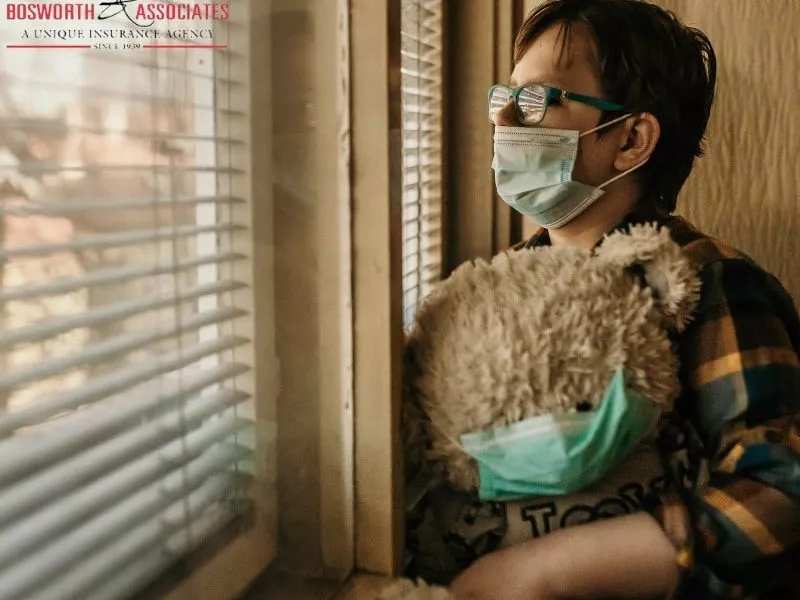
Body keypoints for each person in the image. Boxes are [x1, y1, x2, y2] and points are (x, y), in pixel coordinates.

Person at [446, 0, 800, 598]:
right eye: (503, 96)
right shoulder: (501, 285)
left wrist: (546, 569)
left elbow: (782, 493)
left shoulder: (710, 285)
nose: (503, 117)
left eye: (536, 100)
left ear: (632, 139)